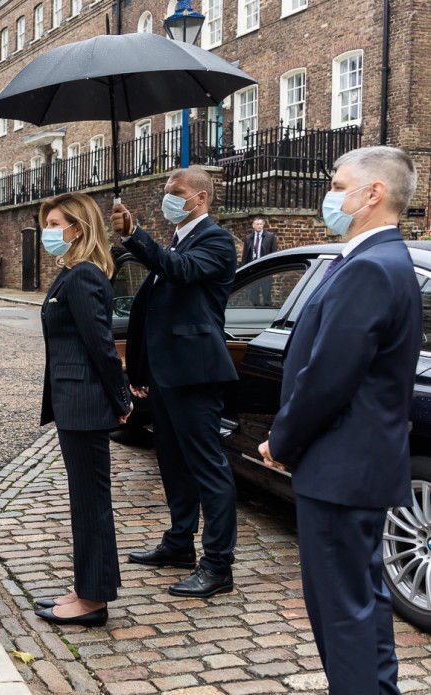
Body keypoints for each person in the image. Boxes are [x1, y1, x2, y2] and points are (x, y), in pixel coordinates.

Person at [259, 146, 422, 695]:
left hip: (340, 463)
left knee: (340, 611)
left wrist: (282, 439)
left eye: (336, 184)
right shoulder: (382, 259)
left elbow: (329, 376)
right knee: (362, 600)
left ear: (372, 194)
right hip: (358, 464)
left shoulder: (372, 267)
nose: (330, 193)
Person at [112, 166, 239, 598]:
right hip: (166, 376)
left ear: (200, 198)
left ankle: (218, 565)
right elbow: (154, 313)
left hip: (196, 373)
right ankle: (179, 543)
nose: (170, 198)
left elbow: (180, 271)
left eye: (177, 192)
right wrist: (141, 371)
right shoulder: (177, 240)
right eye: (168, 191)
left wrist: (135, 235)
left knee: (207, 468)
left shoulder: (217, 242)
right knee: (172, 463)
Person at [31, 193, 132, 627]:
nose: (49, 231)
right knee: (84, 502)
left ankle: (93, 600)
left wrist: (122, 398)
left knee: (91, 503)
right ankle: (87, 586)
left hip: (86, 403)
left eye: (56, 223)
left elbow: (102, 347)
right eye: (47, 223)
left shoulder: (86, 276)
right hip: (75, 403)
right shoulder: (72, 273)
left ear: (79, 227)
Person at [242, 217, 277, 304]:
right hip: (253, 268)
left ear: (263, 225)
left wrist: (272, 268)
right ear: (253, 226)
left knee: (266, 292)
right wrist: (244, 269)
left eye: (261, 224)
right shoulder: (248, 238)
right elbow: (245, 255)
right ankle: (255, 311)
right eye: (257, 224)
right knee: (254, 293)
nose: (259, 226)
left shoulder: (270, 236)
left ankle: (267, 310)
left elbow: (274, 253)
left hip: (265, 268)